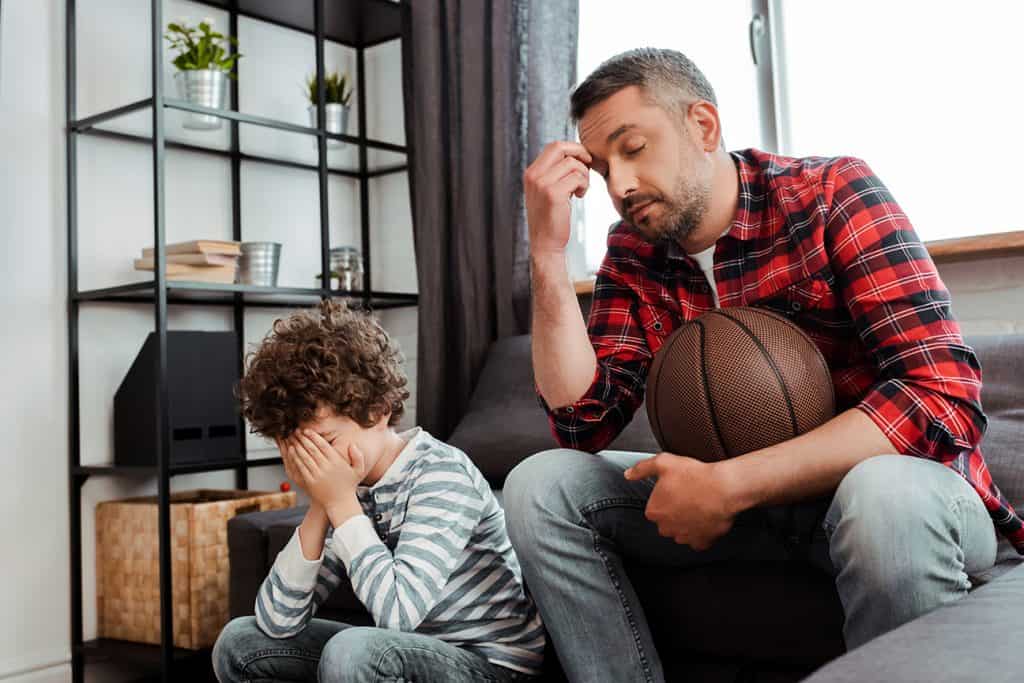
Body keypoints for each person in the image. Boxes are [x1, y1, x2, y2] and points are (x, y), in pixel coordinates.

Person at [504, 47, 1022, 683]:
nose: (620, 186)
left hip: (893, 497)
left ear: (703, 126)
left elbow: (940, 396)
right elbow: (583, 424)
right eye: (604, 168)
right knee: (540, 486)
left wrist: (729, 485)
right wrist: (547, 254)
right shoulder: (633, 252)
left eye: (634, 148)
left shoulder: (831, 194)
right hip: (752, 520)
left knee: (882, 495)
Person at [213, 300, 544, 683]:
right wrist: (322, 503)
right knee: (239, 641)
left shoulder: (440, 473)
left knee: (353, 652)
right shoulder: (349, 488)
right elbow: (277, 622)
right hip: (406, 654)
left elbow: (398, 616)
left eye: (326, 443)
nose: (315, 464)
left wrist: (339, 501)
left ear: (379, 409)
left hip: (491, 666)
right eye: (299, 452)